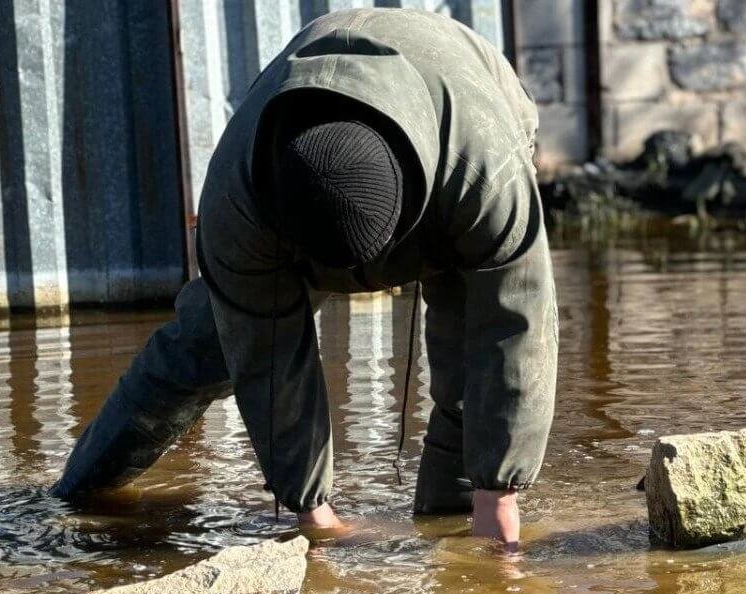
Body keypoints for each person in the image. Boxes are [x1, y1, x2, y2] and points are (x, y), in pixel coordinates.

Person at [51, 8, 558, 548]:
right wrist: (312, 511)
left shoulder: (484, 170)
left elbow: (517, 323)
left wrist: (499, 492)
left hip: (458, 121)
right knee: (201, 346)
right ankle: (77, 491)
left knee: (470, 369)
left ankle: (457, 528)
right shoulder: (237, 201)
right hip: (289, 202)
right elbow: (266, 359)